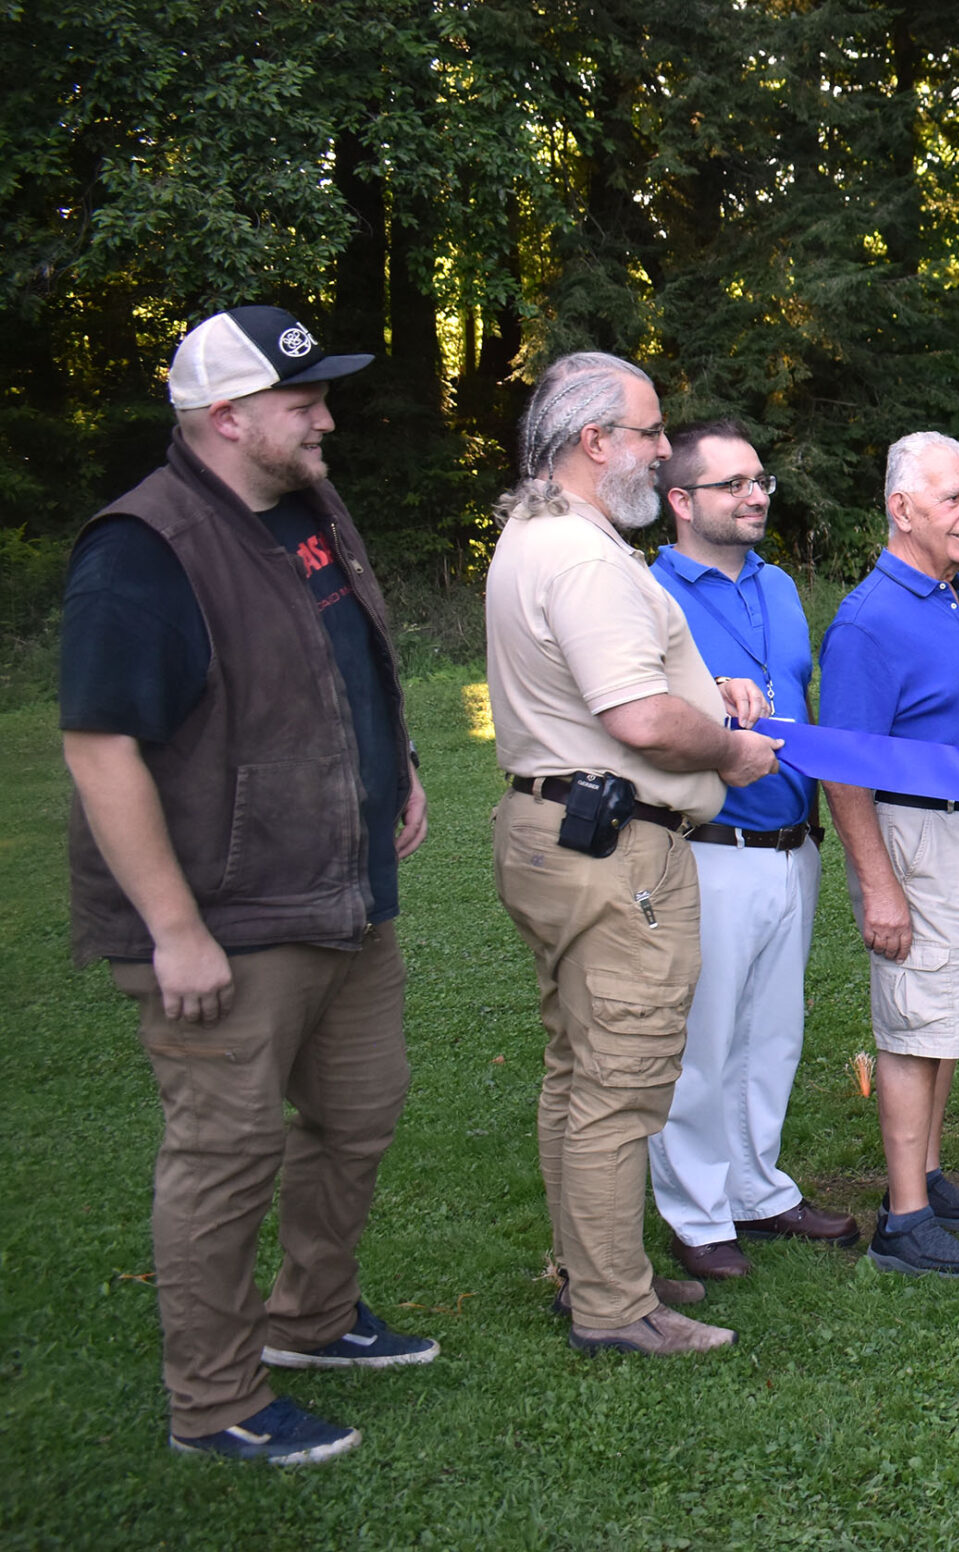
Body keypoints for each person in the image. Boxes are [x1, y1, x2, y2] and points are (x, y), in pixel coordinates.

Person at [62, 306, 433, 1464]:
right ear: (225, 418)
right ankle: (212, 1399)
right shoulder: (144, 547)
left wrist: (401, 759)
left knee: (358, 1114)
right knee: (225, 1157)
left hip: (343, 892)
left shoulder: (307, 507)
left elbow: (345, 653)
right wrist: (174, 929)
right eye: (302, 399)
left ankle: (312, 1319)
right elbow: (99, 745)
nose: (326, 418)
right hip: (227, 914)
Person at [486, 353, 782, 1357]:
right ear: (595, 441)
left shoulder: (541, 538)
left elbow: (628, 693)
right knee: (619, 1082)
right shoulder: (583, 556)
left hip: (561, 828)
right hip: (615, 848)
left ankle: (593, 1272)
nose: (666, 452)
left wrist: (715, 695)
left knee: (577, 1069)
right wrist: (731, 746)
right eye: (652, 433)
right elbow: (641, 716)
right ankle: (614, 1307)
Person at [644, 421, 856, 1282]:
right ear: (681, 502)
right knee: (703, 1039)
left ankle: (757, 1189)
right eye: (732, 484)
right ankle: (696, 1213)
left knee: (772, 1033)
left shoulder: (777, 587)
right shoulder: (650, 592)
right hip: (708, 845)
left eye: (759, 479)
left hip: (790, 843)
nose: (756, 494)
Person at [817, 432, 959, 1277]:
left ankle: (929, 1177)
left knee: (945, 1012)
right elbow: (843, 768)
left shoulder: (953, 593)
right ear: (902, 510)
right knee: (912, 1020)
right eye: (953, 499)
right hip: (919, 839)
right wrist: (879, 886)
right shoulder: (867, 622)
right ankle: (904, 1222)